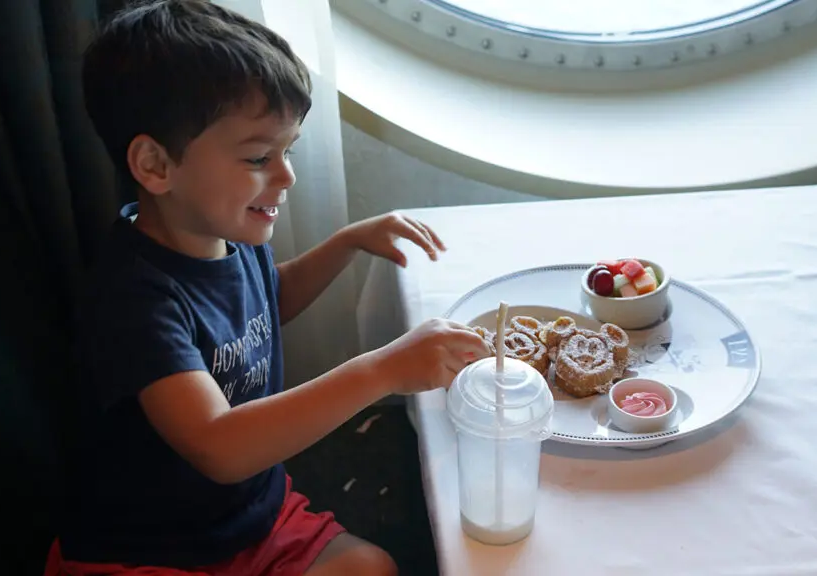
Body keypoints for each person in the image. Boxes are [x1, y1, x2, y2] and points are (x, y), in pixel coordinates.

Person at [47, 1, 491, 575]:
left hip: (247, 514)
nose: (286, 176)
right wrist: (381, 370)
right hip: (151, 549)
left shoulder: (229, 236)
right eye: (260, 156)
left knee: (371, 567)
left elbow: (265, 300)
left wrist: (349, 241)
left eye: (290, 150)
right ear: (155, 165)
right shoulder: (135, 300)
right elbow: (220, 446)